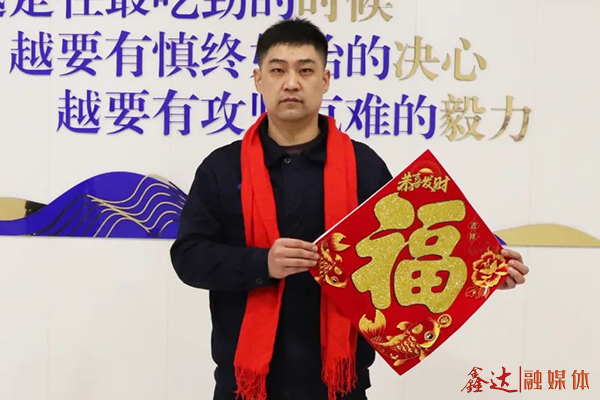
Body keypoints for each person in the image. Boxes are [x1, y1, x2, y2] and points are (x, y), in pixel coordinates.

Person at [170, 18, 529, 400]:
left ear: (325, 80)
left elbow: (409, 253)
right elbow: (189, 257)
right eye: (277, 70)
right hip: (245, 385)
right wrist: (263, 264)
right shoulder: (222, 168)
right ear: (258, 80)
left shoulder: (364, 166)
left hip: (341, 384)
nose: (291, 83)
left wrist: (483, 271)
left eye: (305, 70)